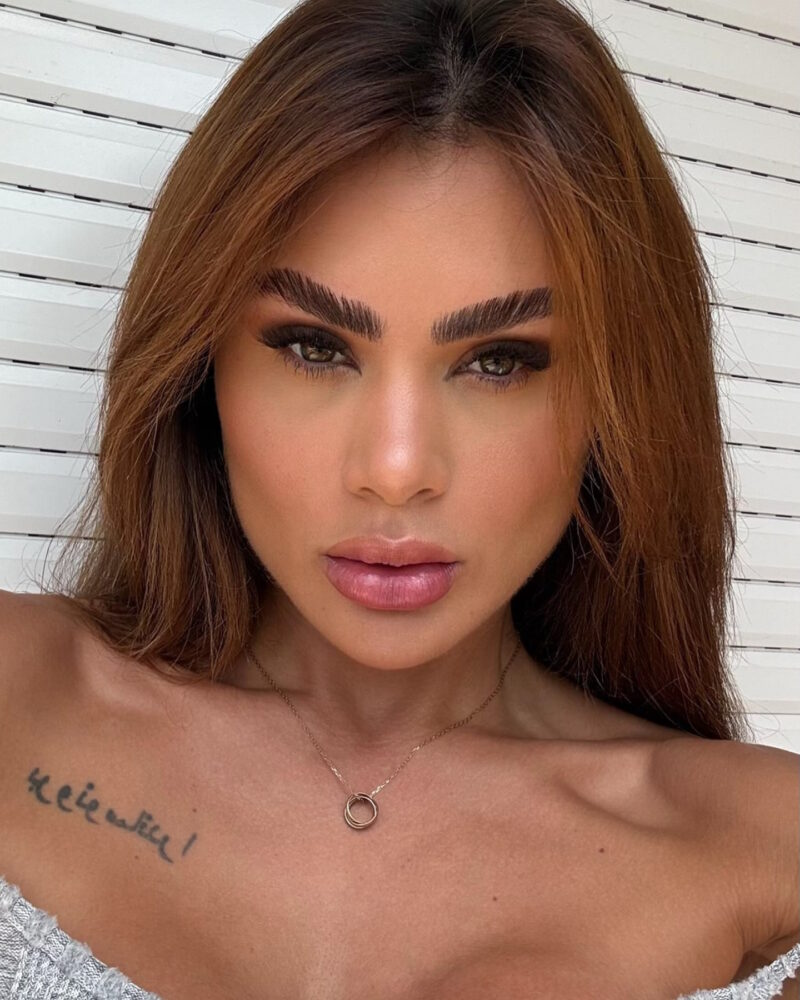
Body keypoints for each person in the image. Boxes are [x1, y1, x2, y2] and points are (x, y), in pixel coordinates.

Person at [0, 0, 798, 997]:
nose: (394, 466)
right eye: (313, 346)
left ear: (618, 402)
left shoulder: (763, 860)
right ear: (199, 368)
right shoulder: (16, 694)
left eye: (499, 361)